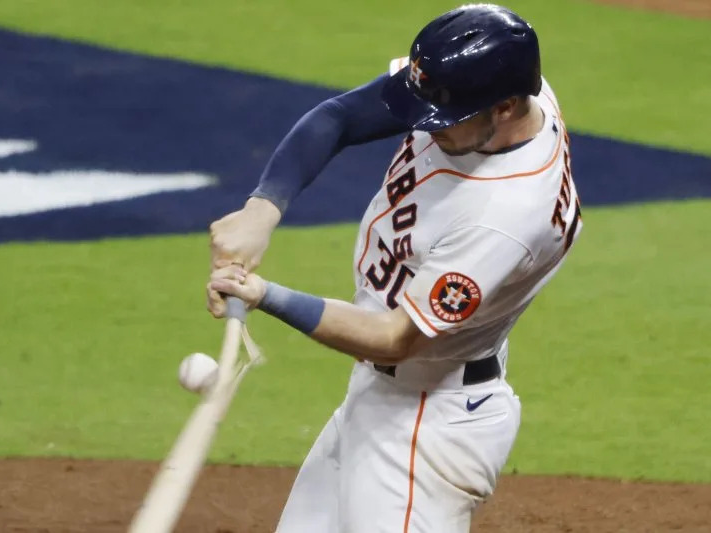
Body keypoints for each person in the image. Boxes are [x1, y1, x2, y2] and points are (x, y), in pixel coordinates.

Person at [207, 4, 582, 532]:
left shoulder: (505, 218)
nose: (423, 126)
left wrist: (265, 294)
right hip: (387, 396)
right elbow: (339, 117)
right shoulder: (513, 91)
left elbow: (393, 337)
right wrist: (261, 209)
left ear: (504, 109)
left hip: (426, 425)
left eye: (443, 120)